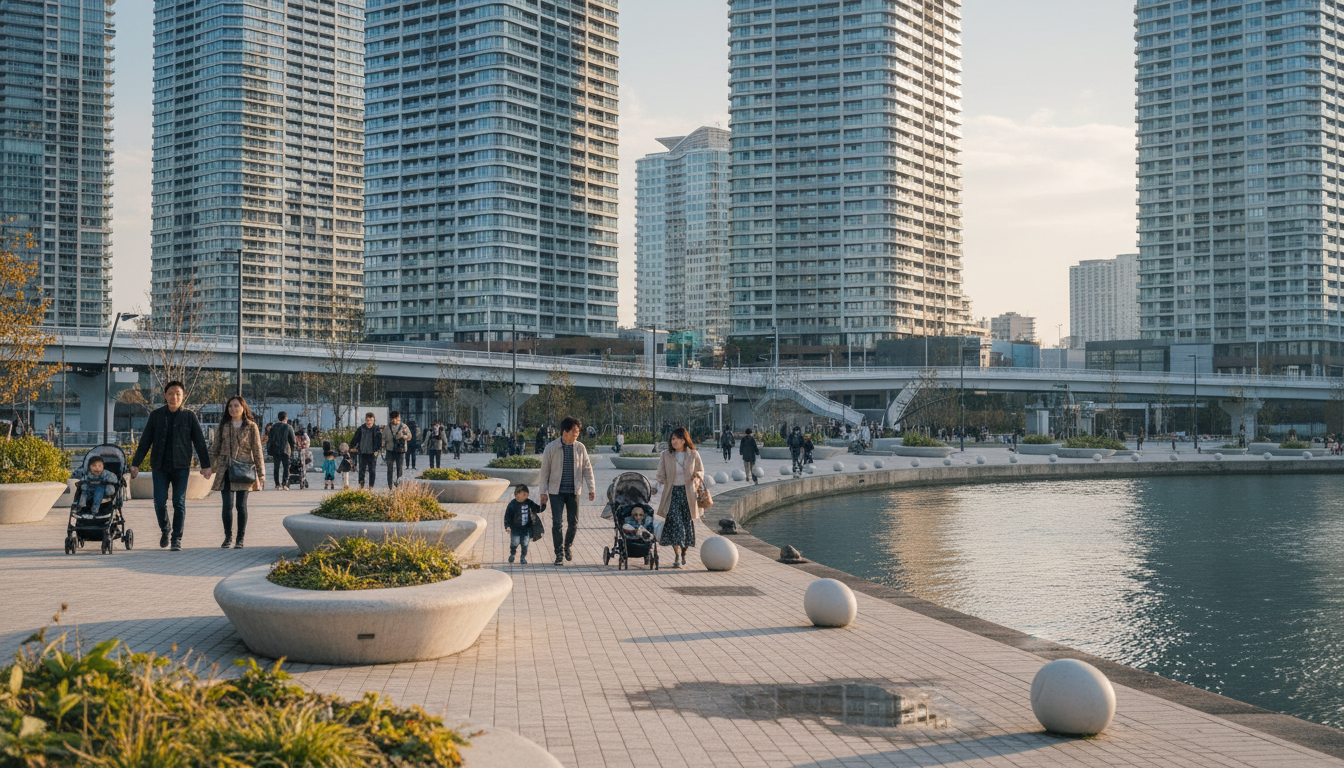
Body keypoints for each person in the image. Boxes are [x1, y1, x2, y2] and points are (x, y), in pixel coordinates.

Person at [129, 380, 212, 551]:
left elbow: (199, 442)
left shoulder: (189, 416)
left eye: (178, 394)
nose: (174, 397)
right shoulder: (156, 415)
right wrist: (135, 464)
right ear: (165, 396)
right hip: (160, 467)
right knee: (159, 502)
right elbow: (145, 441)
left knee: (178, 503)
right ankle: (165, 529)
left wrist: (206, 465)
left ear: (183, 396)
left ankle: (176, 539)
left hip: (181, 466)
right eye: (171, 394)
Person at [538, 416, 596, 566]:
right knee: (557, 523)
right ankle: (559, 554)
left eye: (578, 431)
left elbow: (587, 469)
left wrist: (591, 488)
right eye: (574, 431)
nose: (577, 434)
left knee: (573, 523)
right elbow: (545, 472)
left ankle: (567, 546)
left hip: (574, 491)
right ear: (565, 431)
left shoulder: (580, 448)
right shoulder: (551, 448)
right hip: (556, 492)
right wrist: (543, 492)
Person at [209, 395, 264, 549]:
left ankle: (240, 538)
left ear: (243, 408)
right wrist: (208, 467)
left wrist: (261, 474)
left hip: (244, 470)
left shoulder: (251, 426)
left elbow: (257, 450)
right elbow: (214, 449)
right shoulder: (223, 426)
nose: (232, 409)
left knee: (241, 505)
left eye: (236, 406)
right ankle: (228, 537)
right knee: (227, 505)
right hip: (226, 470)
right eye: (230, 406)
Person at [654, 427, 704, 569]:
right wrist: (657, 486)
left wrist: (698, 476)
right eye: (673, 439)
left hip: (688, 494)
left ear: (684, 440)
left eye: (678, 439)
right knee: (676, 525)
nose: (674, 441)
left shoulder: (693, 454)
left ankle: (684, 552)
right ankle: (676, 555)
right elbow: (660, 475)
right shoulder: (665, 455)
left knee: (686, 525)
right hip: (672, 493)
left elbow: (701, 470)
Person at [504, 483, 546, 564]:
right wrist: (507, 526)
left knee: (525, 544)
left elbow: (538, 509)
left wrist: (543, 504)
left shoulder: (529, 503)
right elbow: (507, 516)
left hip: (526, 529)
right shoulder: (512, 504)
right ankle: (512, 554)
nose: (526, 496)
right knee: (514, 543)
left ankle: (523, 557)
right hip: (515, 529)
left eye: (527, 495)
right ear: (517, 495)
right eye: (523, 494)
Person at [267, 411, 296, 491]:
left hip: (275, 450)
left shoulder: (274, 427)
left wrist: (270, 449)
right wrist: (292, 450)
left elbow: (270, 439)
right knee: (286, 467)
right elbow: (293, 441)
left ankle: (277, 484)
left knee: (276, 467)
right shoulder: (288, 427)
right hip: (285, 450)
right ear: (286, 418)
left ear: (278, 418)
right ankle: (284, 484)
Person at [382, 411, 412, 487]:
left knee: (400, 469)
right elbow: (383, 438)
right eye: (393, 419)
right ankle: (390, 485)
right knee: (389, 469)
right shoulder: (387, 427)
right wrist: (383, 444)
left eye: (397, 419)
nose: (395, 421)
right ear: (391, 419)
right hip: (390, 450)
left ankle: (399, 485)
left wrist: (403, 436)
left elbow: (409, 437)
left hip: (400, 450)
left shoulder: (403, 426)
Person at [352, 412, 382, 488]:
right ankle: (361, 486)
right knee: (361, 471)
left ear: (373, 420)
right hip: (362, 452)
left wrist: (377, 449)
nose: (369, 422)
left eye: (371, 420)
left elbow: (379, 441)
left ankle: (371, 487)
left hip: (372, 453)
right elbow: (355, 439)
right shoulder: (361, 428)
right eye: (368, 420)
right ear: (365, 420)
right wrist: (351, 447)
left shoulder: (376, 429)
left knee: (372, 471)